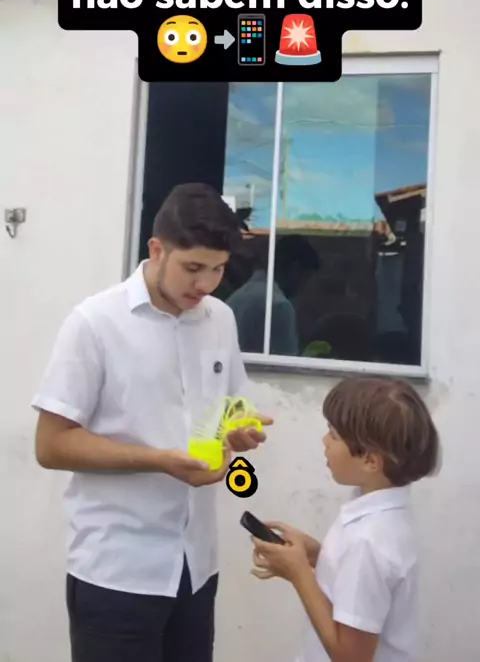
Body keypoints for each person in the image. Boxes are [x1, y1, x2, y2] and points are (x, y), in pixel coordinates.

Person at [32, 182, 272, 662]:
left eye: (218, 270)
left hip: (196, 566)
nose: (205, 285)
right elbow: (51, 445)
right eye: (193, 268)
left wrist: (239, 429)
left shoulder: (220, 319)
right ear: (157, 250)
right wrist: (158, 460)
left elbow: (229, 406)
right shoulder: (95, 323)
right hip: (117, 571)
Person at [250, 377, 439, 662]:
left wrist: (299, 573)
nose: (324, 441)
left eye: (333, 435)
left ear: (370, 461)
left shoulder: (368, 542)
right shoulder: (380, 516)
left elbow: (350, 657)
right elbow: (357, 583)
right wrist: (317, 556)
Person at [227, 234, 320, 355]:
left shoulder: (240, 296)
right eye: (306, 277)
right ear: (295, 269)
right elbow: (285, 361)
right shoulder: (278, 306)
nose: (304, 286)